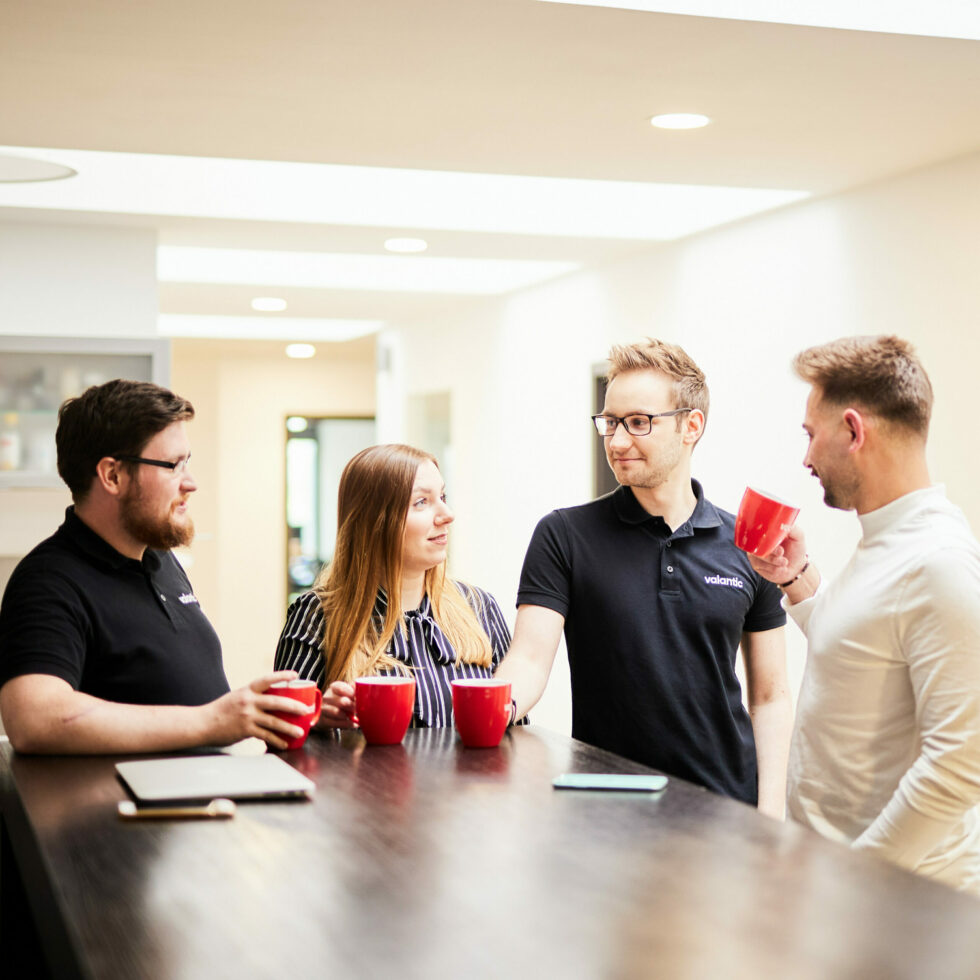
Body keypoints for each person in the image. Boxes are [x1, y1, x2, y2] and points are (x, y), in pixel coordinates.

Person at [495, 339, 792, 816]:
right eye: (610, 422)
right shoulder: (565, 535)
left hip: (725, 810)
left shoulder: (746, 544)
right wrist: (491, 710)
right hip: (605, 812)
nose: (616, 441)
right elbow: (528, 659)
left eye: (638, 422)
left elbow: (771, 695)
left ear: (691, 426)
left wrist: (772, 810)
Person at [749, 335, 980, 892]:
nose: (805, 458)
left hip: (901, 904)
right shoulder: (887, 540)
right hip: (843, 889)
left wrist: (861, 878)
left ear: (854, 430)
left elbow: (962, 762)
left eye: (811, 435)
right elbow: (860, 643)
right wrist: (797, 581)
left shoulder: (939, 563)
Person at [0, 380, 310, 754]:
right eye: (173, 465)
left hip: (209, 795)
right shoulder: (49, 582)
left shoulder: (161, 560)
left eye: (188, 463)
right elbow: (36, 719)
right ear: (112, 476)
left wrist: (273, 715)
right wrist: (214, 720)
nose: (190, 483)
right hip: (129, 808)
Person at [274, 443, 515, 729]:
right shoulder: (317, 616)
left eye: (442, 496)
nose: (447, 514)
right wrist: (316, 722)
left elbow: (514, 727)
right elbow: (281, 738)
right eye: (421, 502)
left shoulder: (479, 607)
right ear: (374, 522)